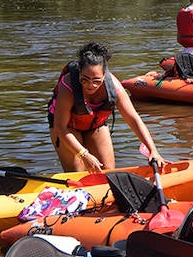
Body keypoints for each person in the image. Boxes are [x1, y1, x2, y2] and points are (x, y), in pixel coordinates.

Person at [49, 42, 165, 174]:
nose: (90, 85)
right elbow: (60, 127)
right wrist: (84, 155)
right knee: (77, 173)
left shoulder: (114, 87)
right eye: (84, 80)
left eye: (96, 81)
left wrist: (153, 150)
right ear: (79, 72)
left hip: (95, 125)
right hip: (67, 128)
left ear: (104, 76)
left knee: (108, 173)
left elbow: (133, 119)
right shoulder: (68, 86)